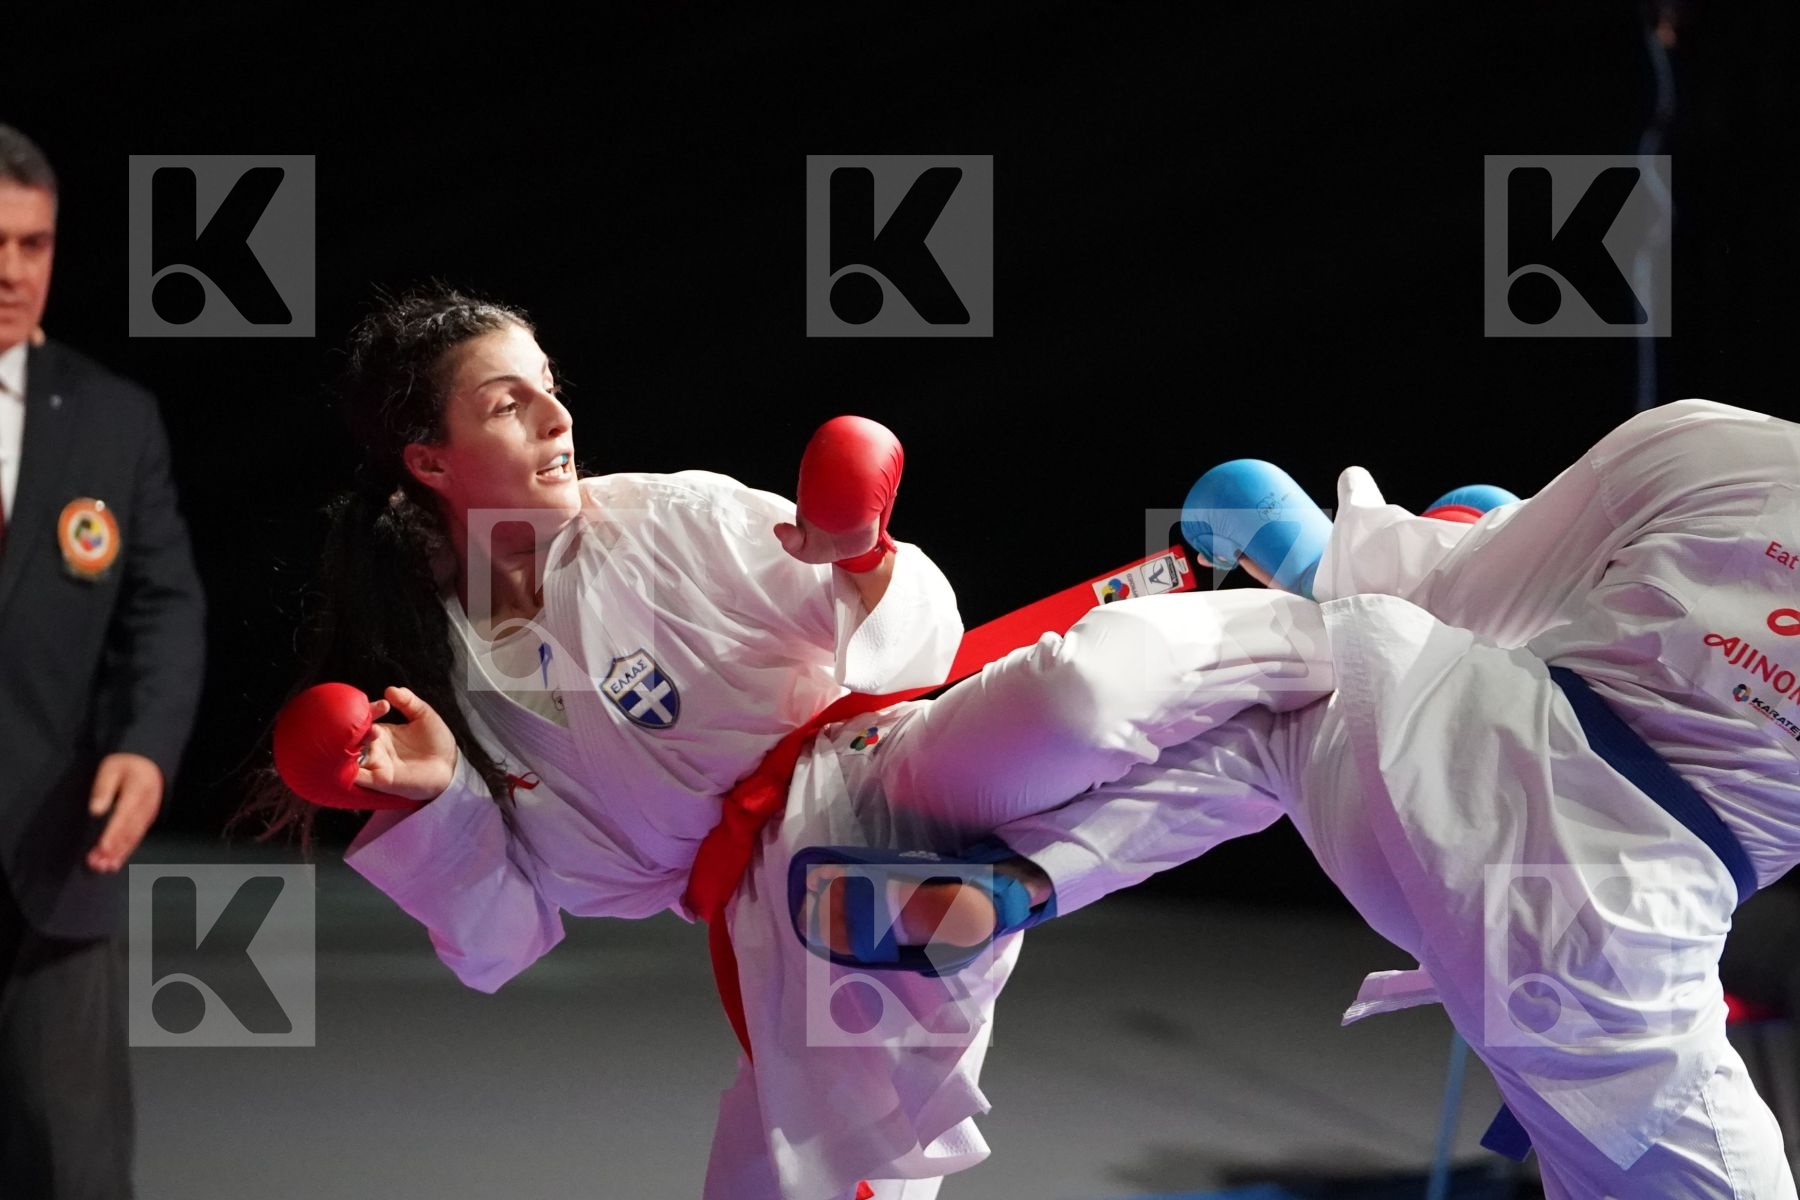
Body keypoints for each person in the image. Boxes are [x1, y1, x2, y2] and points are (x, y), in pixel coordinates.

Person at [239, 282, 1284, 1199]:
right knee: (811, 1182)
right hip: (789, 918)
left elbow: (906, 637)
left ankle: (1325, 596)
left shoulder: (665, 519)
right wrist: (434, 801)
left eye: (549, 384)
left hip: (881, 768)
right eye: (509, 404)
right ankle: (1064, 860)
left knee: (1084, 694)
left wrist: (862, 557)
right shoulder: (440, 683)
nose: (558, 416)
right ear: (430, 459)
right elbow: (499, 943)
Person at [932, 397, 1800, 1198]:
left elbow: (1457, 601)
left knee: (1297, 702)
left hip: (1424, 805)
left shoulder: (1708, 443)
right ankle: (1360, 548)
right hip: (1606, 955)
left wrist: (1318, 548)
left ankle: (1023, 878)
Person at [0, 125, 207, 1198]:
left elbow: (162, 609)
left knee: (68, 1161)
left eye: (33, 244)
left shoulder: (114, 420)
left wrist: (144, 747)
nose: (11, 271)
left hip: (52, 847)